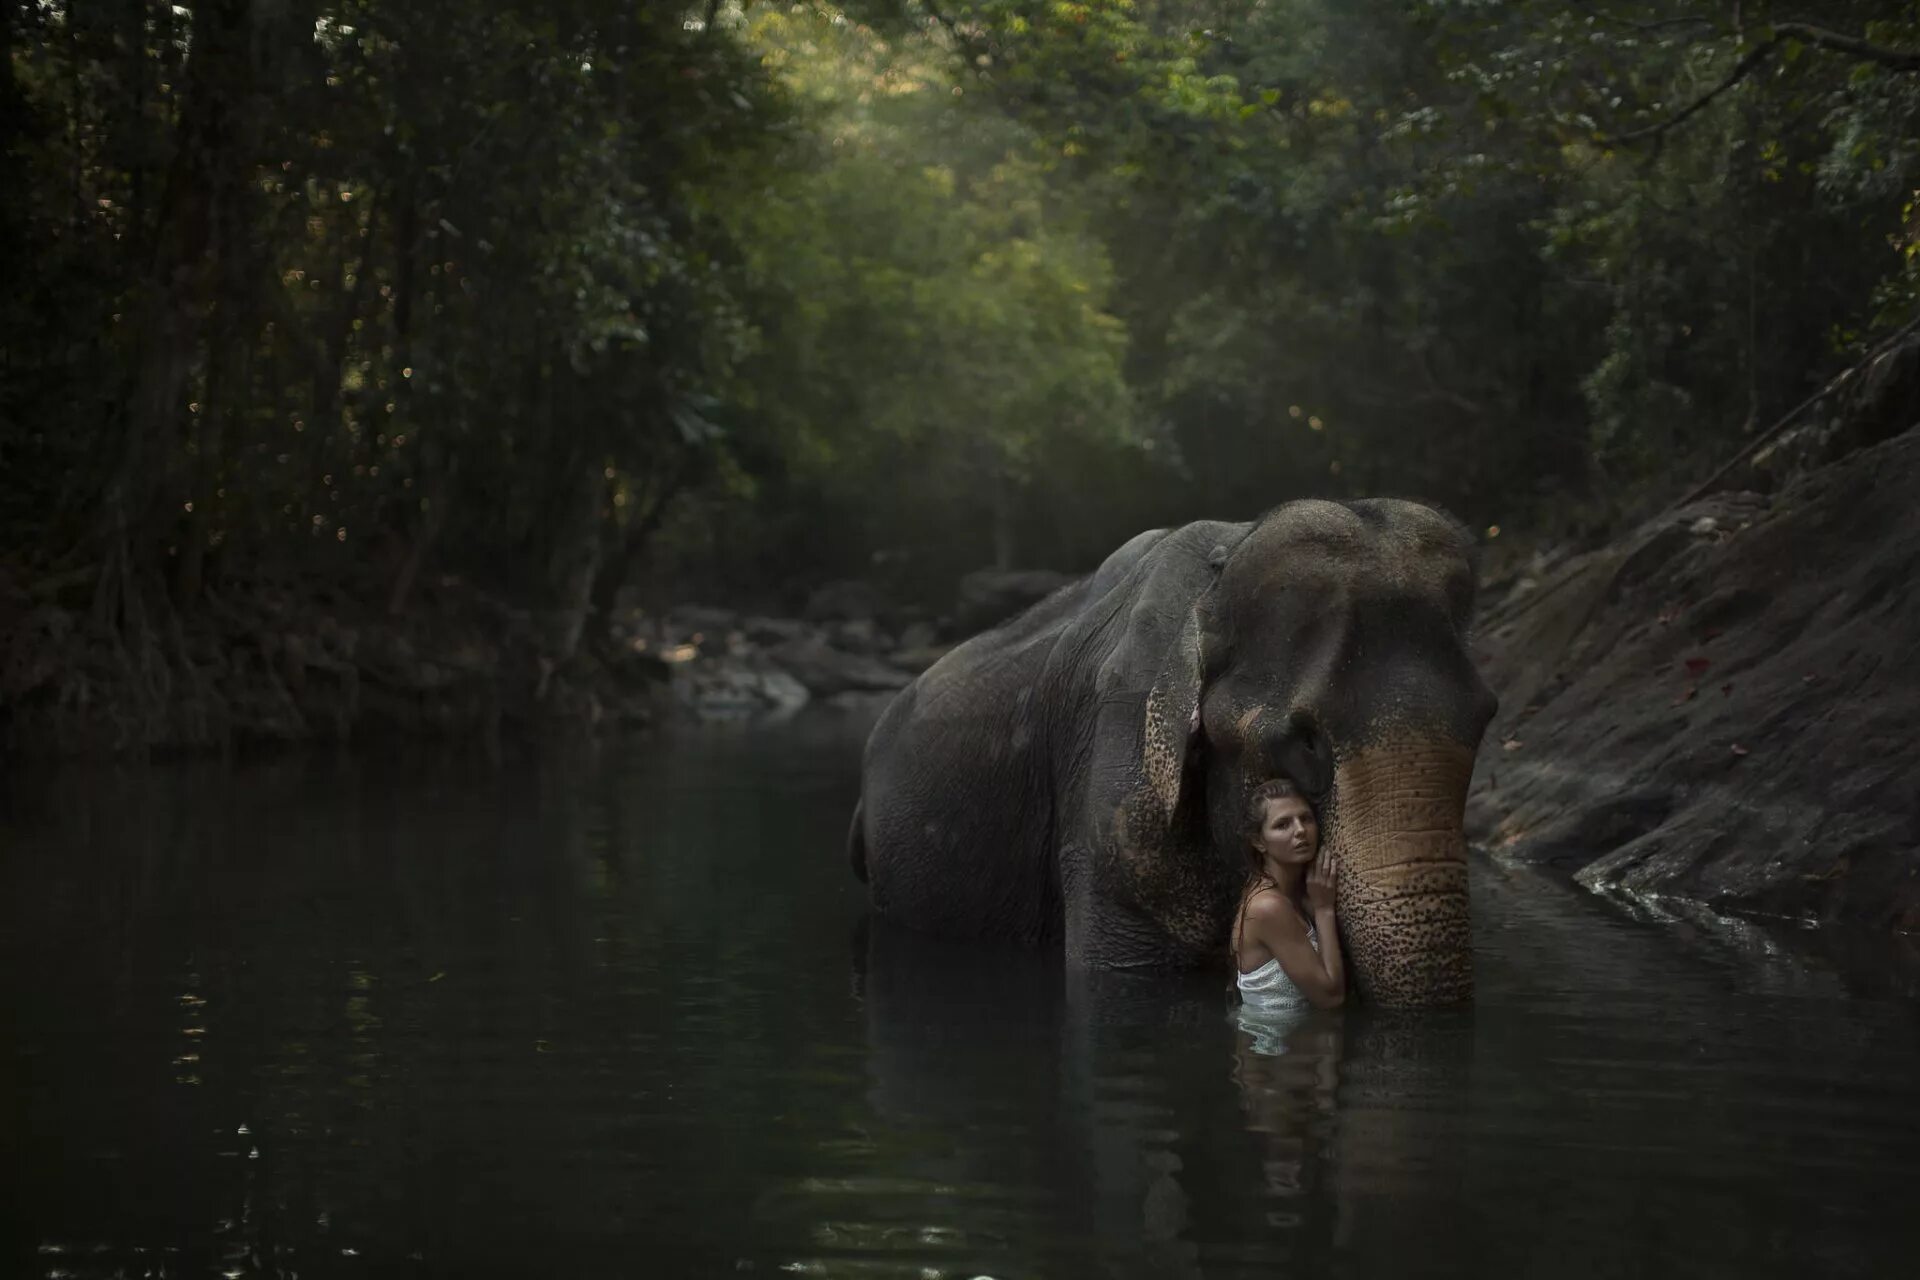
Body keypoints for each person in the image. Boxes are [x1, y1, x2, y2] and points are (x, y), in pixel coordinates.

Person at [1231, 777, 1346, 1013]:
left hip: (1302, 1043)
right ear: (1259, 841)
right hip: (1275, 1047)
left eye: (1306, 818)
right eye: (1283, 825)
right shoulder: (1267, 907)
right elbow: (1331, 998)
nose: (1301, 830)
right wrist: (1324, 909)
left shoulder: (1290, 895)